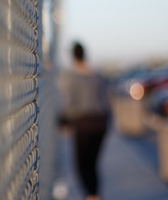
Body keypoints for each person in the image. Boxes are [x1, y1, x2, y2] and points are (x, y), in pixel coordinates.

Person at [58, 42, 109, 200]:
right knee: (92, 164)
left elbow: (70, 103)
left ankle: (91, 195)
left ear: (73, 56)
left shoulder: (70, 77)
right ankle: (93, 194)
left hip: (84, 124)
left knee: (81, 166)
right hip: (101, 124)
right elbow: (106, 102)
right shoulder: (98, 75)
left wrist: (63, 121)